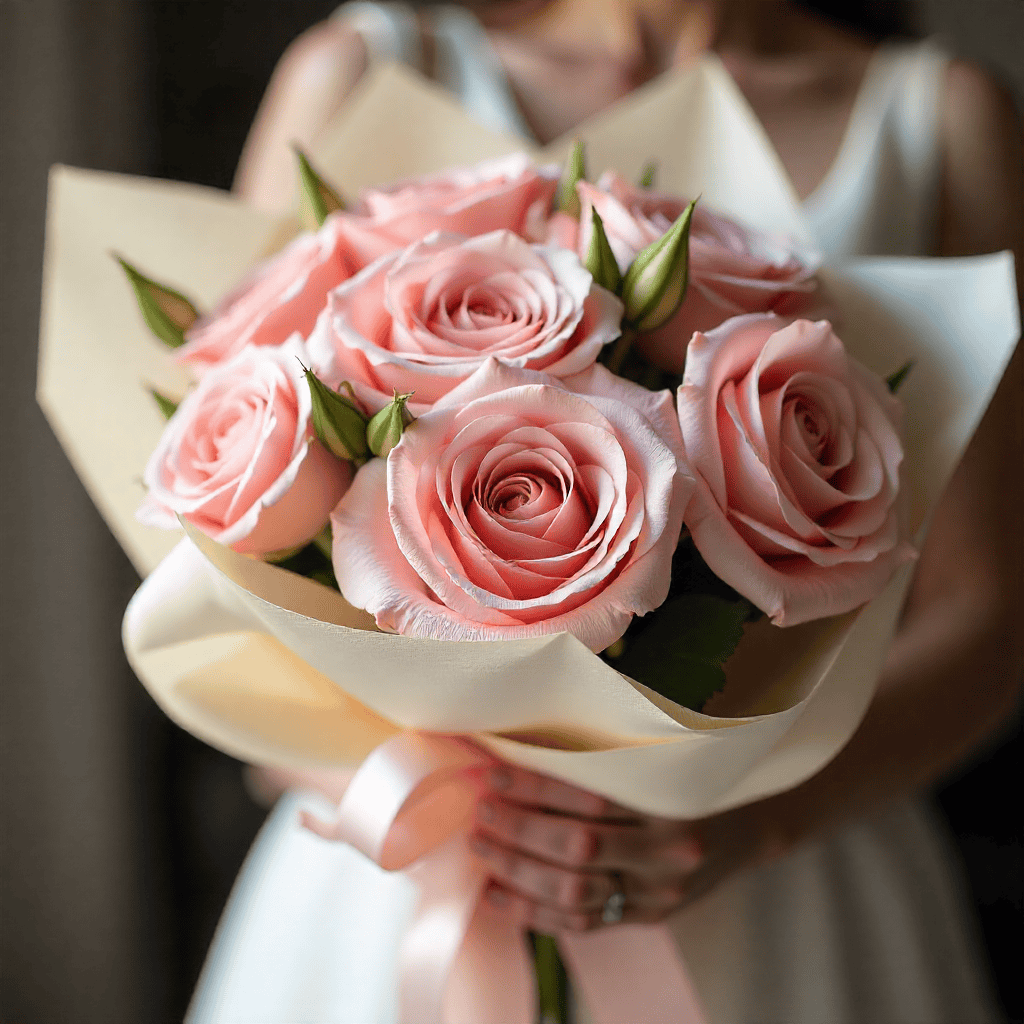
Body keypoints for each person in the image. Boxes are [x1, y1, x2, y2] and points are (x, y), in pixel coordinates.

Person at [194, 2, 1023, 1021]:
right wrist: (425, 787)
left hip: (780, 873)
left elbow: (984, 613)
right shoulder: (361, 66)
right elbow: (214, 557)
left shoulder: (937, 119)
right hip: (409, 867)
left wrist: (746, 820)